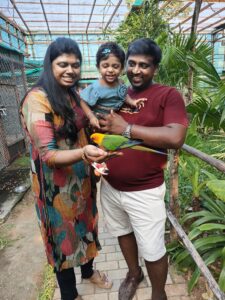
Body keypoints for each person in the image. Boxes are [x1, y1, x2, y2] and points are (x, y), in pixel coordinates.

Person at [20, 37, 113, 300]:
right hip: (54, 188)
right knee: (62, 241)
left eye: (75, 65)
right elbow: (48, 153)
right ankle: (70, 294)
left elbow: (84, 123)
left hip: (82, 181)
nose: (70, 70)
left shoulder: (72, 93)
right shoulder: (37, 99)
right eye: (63, 64)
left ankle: (88, 273)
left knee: (86, 229)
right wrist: (84, 152)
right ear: (49, 65)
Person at [98, 38, 188, 300]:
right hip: (111, 186)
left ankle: (158, 294)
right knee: (122, 233)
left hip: (145, 191)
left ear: (155, 68)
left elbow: (175, 137)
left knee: (153, 248)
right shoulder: (116, 92)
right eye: (132, 64)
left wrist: (125, 128)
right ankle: (133, 273)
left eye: (144, 66)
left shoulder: (167, 95)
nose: (136, 70)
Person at [80, 41, 146, 175]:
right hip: (99, 122)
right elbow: (82, 101)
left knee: (114, 145)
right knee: (99, 146)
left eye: (115, 66)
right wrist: (91, 117)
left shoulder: (120, 83)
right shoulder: (95, 87)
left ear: (122, 68)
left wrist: (132, 102)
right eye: (105, 66)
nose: (110, 70)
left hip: (113, 121)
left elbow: (124, 95)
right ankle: (98, 164)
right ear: (98, 67)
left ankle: (111, 164)